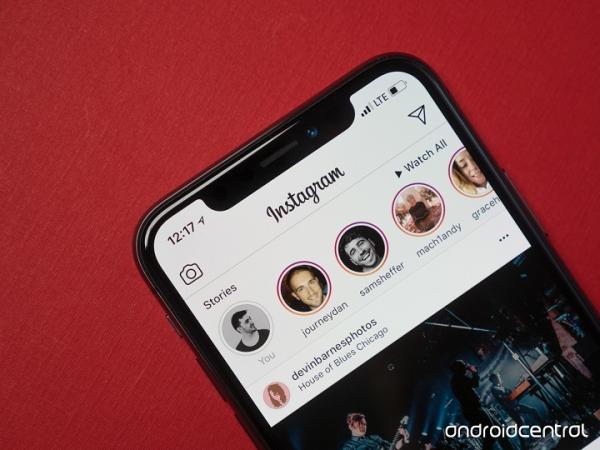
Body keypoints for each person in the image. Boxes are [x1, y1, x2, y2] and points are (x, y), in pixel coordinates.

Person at [450, 361, 512, 450]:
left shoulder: (457, 379)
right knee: (491, 435)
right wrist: (474, 372)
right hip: (474, 410)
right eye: (464, 366)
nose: (466, 367)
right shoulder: (458, 379)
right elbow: (475, 384)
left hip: (476, 409)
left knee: (498, 431)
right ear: (459, 368)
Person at [342, 413, 408, 450]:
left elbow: (394, 447)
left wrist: (403, 439)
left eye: (364, 424)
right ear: (351, 427)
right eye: (359, 424)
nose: (363, 427)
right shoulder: (348, 447)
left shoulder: (375, 438)